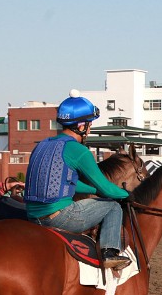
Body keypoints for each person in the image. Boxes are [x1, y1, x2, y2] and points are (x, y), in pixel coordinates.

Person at [24, 91, 132, 270]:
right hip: (58, 217)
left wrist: (94, 190)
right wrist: (127, 195)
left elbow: (68, 184)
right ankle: (109, 254)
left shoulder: (42, 145)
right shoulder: (78, 150)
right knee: (112, 206)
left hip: (32, 216)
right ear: (81, 126)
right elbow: (107, 189)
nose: (89, 129)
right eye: (89, 125)